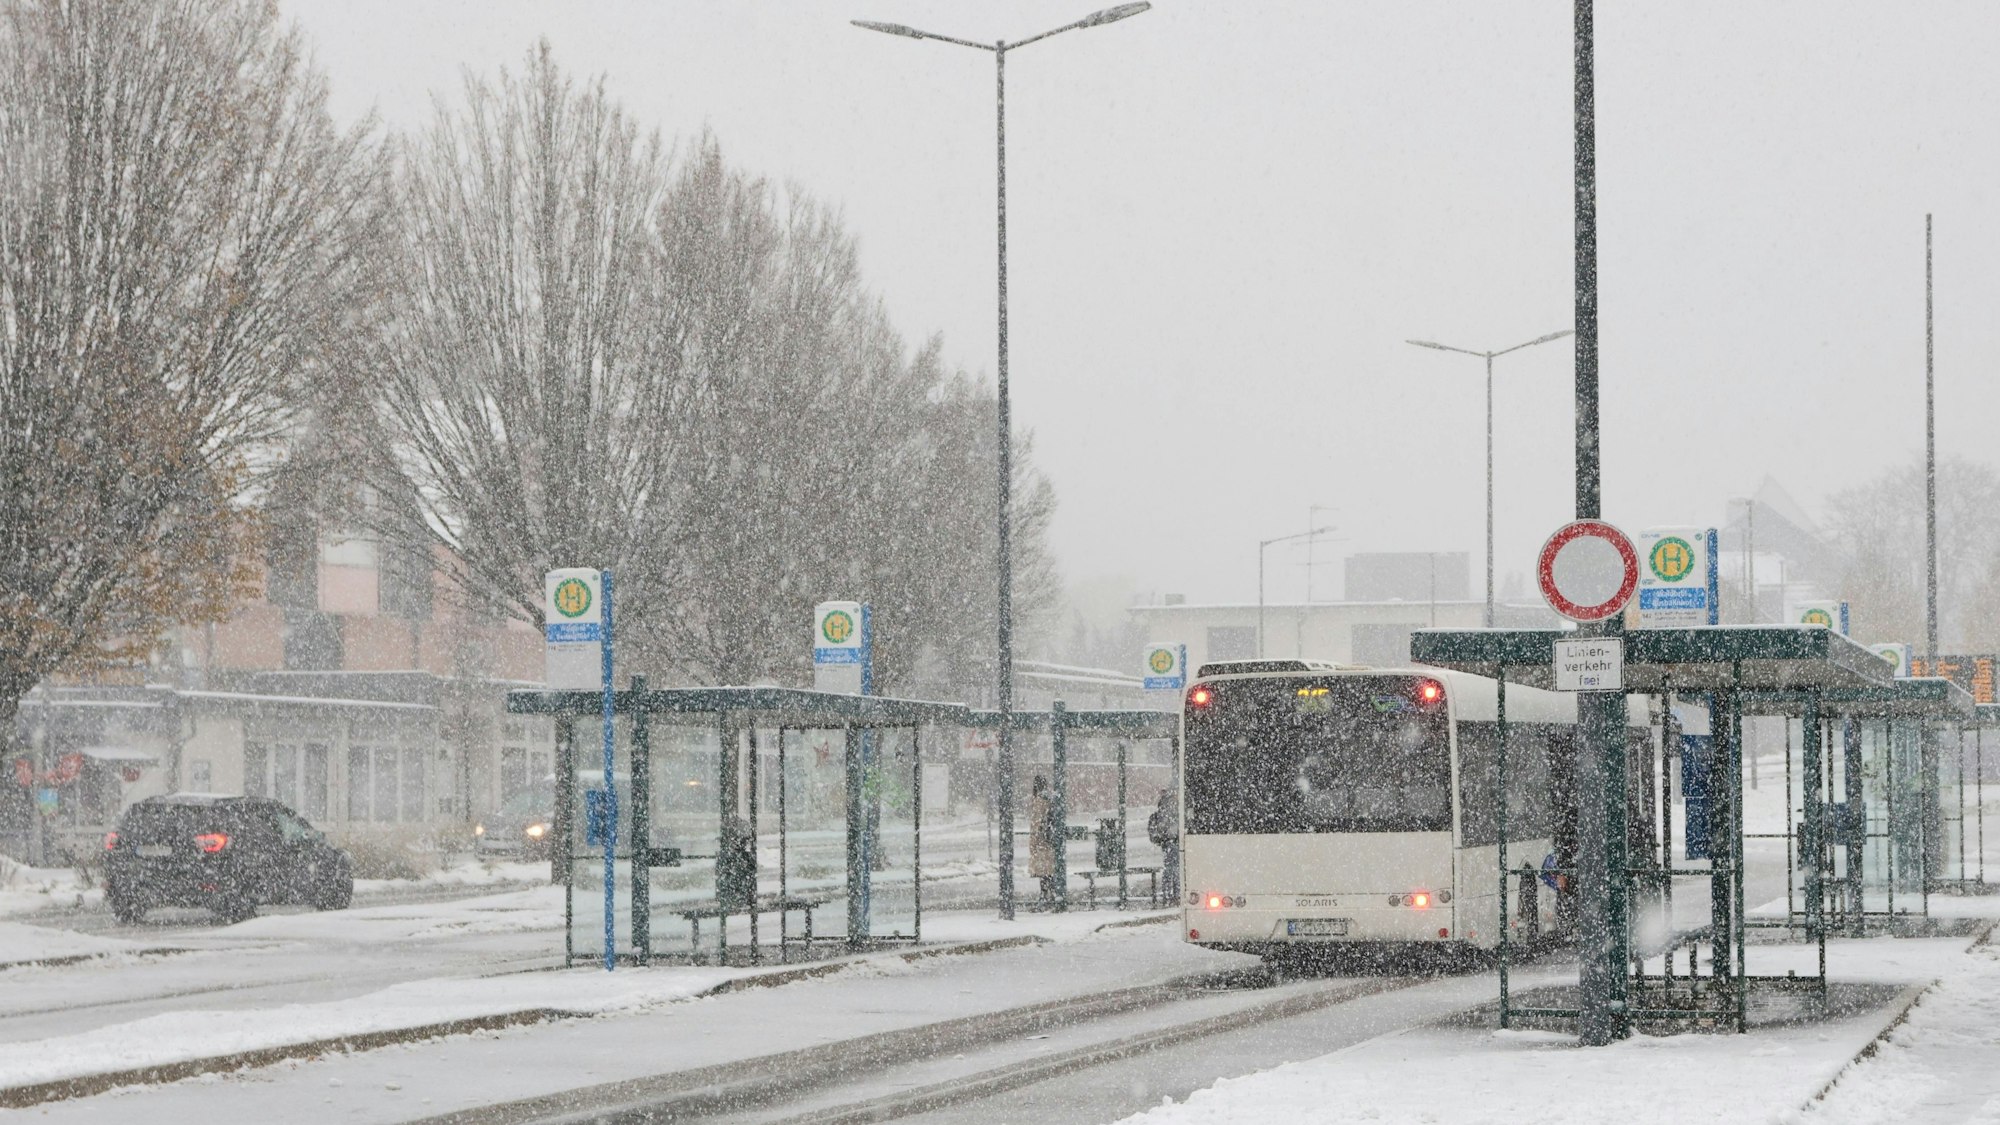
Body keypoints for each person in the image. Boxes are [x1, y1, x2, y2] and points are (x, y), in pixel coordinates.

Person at [1148, 786, 1181, 900]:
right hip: (1174, 841)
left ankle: (1167, 892)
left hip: (1167, 842)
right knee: (1175, 868)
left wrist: (1162, 839)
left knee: (1169, 868)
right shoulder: (1173, 808)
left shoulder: (1162, 807)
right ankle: (1176, 893)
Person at [1029, 775, 1058, 903]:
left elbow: (1036, 822)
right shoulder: (1051, 798)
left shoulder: (1039, 800)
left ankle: (1045, 895)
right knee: (1049, 870)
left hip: (1042, 840)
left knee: (1044, 871)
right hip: (1050, 839)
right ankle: (1051, 894)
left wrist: (1034, 841)